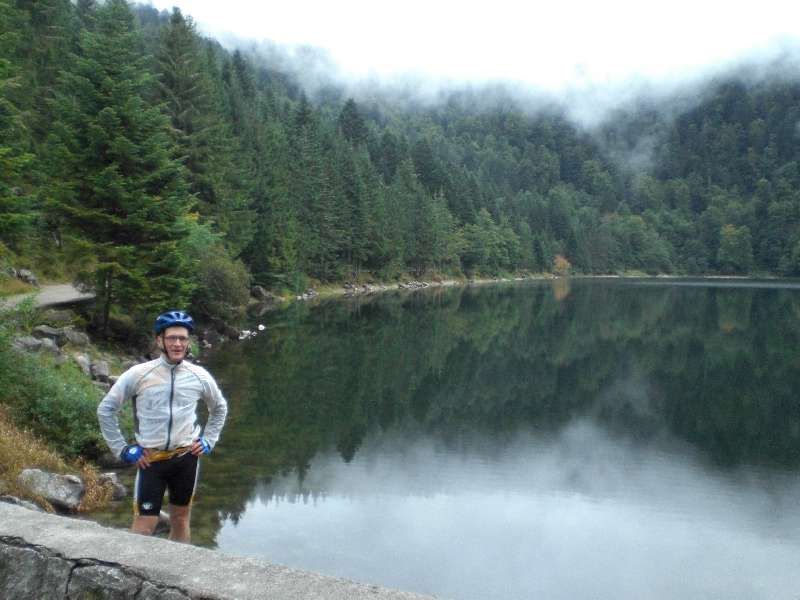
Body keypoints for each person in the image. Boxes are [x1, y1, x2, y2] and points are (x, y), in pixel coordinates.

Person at [97, 310, 228, 543]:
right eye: (172, 338)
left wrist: (208, 440)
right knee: (144, 526)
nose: (178, 344)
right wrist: (123, 449)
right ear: (160, 340)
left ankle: (178, 573)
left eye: (183, 338)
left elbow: (219, 408)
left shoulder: (199, 376)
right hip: (151, 460)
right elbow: (106, 409)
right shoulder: (139, 374)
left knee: (180, 519)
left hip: (186, 457)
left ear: (188, 342)